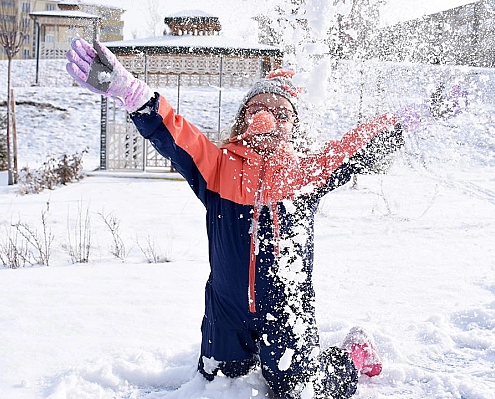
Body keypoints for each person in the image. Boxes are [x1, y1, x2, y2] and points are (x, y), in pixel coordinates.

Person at [66, 38, 405, 399]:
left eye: (280, 112)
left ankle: (350, 355)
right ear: (243, 118)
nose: (266, 117)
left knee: (300, 391)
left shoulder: (306, 172)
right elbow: (176, 135)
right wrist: (130, 92)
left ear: (294, 126)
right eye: (257, 107)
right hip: (227, 311)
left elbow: (357, 146)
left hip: (287, 314)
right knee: (215, 383)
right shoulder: (216, 166)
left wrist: (414, 116)